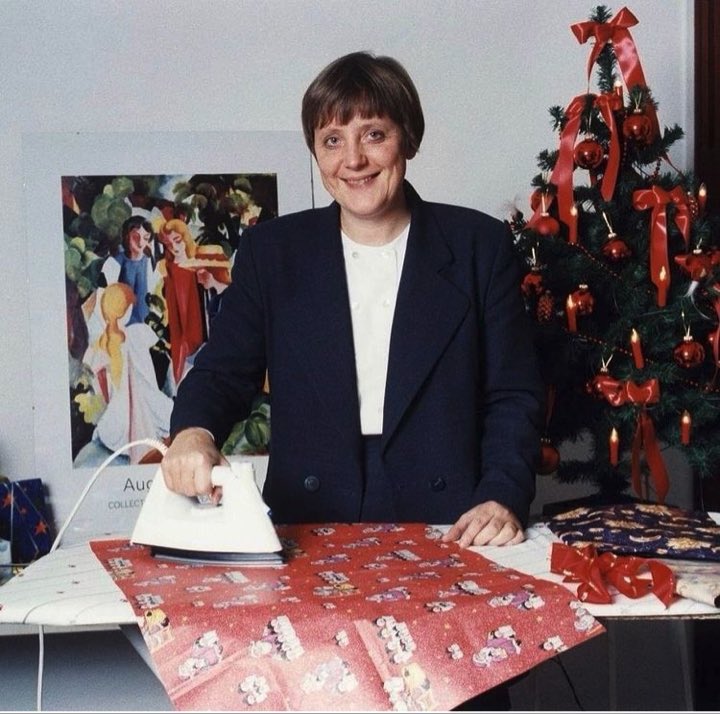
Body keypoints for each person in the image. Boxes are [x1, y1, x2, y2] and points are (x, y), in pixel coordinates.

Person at [161, 51, 544, 546]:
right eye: (332, 140)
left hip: (451, 521)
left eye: (375, 134)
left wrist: (501, 495)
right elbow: (223, 373)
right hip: (307, 519)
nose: (354, 160)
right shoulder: (272, 252)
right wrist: (193, 431)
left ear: (408, 137)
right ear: (316, 152)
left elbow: (512, 395)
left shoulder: (479, 246)